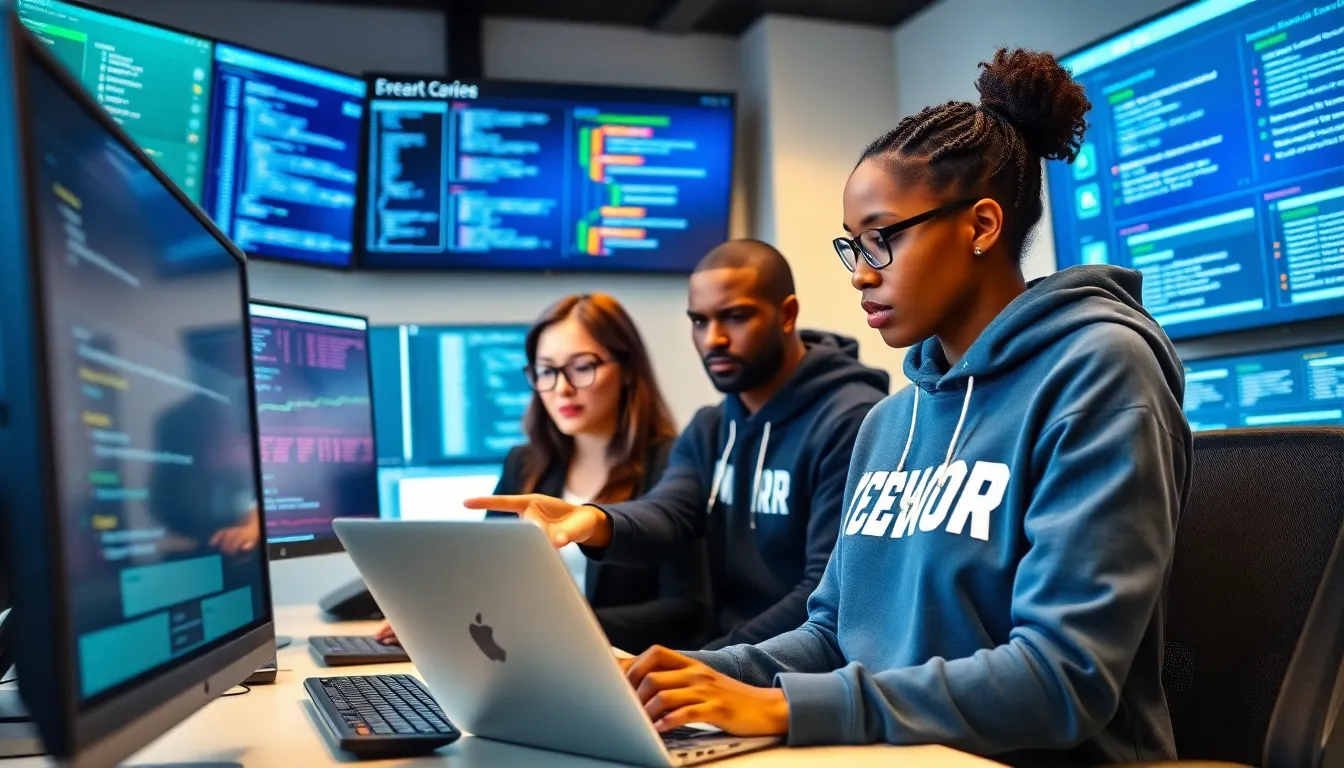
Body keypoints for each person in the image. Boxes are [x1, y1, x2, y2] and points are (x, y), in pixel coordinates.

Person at [611, 48, 1192, 766]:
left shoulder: (1100, 369)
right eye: (851, 248)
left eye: (882, 240)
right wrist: (685, 675)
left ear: (980, 226)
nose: (860, 275)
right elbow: (830, 632)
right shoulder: (892, 421)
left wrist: (788, 707)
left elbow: (1062, 676)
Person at [468, 240, 890, 649]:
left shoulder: (852, 420)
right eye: (700, 321)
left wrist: (711, 663)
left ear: (787, 314)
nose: (713, 340)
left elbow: (825, 590)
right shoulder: (710, 428)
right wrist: (593, 521)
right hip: (733, 665)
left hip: (801, 678)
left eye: (736, 317)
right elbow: (667, 514)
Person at [378, 293, 709, 653]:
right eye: (547, 371)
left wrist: (551, 628)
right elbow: (486, 579)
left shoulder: (674, 464)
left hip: (620, 667)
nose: (562, 388)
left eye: (582, 367)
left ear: (627, 370)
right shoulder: (524, 465)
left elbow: (686, 609)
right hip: (523, 658)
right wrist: (434, 613)